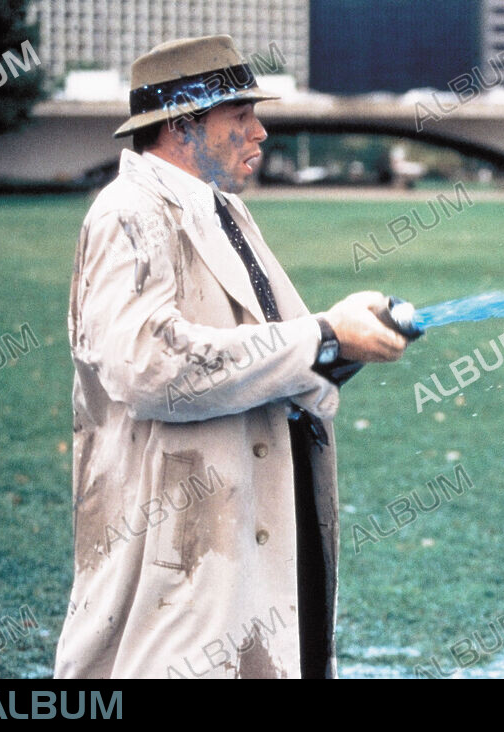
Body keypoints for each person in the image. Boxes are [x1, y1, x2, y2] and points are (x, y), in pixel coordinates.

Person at [54, 35, 408, 679]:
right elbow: (152, 368)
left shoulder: (229, 213)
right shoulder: (127, 213)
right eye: (239, 117)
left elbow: (275, 351)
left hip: (261, 515)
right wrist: (323, 338)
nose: (261, 131)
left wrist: (344, 348)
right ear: (183, 124)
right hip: (183, 536)